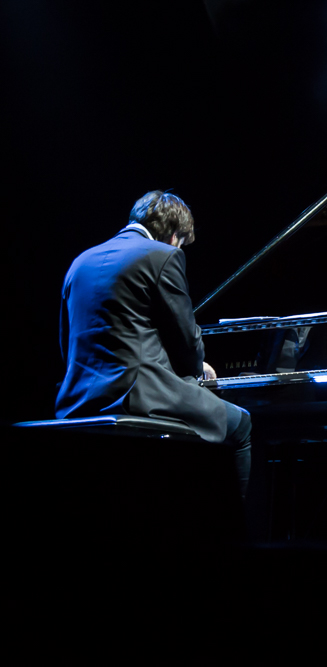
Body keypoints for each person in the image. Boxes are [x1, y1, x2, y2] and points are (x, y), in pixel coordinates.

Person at [55, 191, 251, 498]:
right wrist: (197, 366)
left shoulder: (79, 262)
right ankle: (236, 539)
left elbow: (67, 346)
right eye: (182, 243)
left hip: (77, 401)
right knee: (240, 425)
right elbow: (188, 342)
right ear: (174, 236)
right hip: (138, 396)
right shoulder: (163, 255)